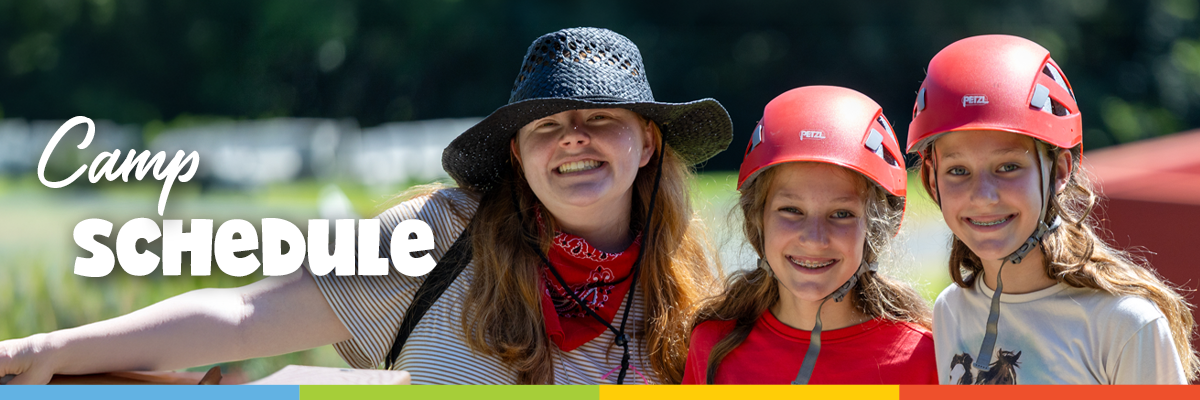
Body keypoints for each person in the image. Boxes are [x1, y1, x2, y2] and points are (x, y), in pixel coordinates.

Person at [0, 27, 733, 385]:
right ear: (517, 154)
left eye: (601, 118)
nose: (573, 136)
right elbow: (244, 314)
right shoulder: (438, 237)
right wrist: (47, 351)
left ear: (647, 142)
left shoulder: (698, 292)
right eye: (546, 125)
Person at [908, 34, 1199, 384]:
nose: (983, 196)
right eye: (958, 171)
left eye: (1008, 167)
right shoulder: (951, 311)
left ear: (1059, 171)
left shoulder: (1124, 324)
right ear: (932, 180)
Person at [682, 86, 936, 384]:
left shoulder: (922, 359)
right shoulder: (713, 348)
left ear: (875, 229)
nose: (814, 239)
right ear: (757, 220)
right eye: (791, 210)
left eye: (841, 214)